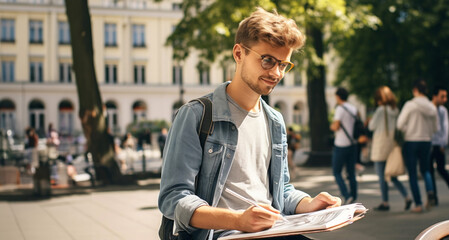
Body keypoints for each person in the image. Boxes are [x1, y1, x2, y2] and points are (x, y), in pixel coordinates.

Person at [158, 8, 341, 240]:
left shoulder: (275, 121)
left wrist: (309, 203)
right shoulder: (196, 115)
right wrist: (238, 220)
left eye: (283, 65)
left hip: (274, 232)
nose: (276, 73)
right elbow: (173, 198)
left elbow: (281, 190)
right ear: (238, 53)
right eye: (267, 61)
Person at [367, 86, 412, 211]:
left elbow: (371, 126)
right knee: (392, 176)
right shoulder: (395, 110)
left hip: (380, 147)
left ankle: (385, 202)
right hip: (392, 146)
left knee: (382, 177)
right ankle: (407, 196)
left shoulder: (381, 110)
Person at [397, 80, 438, 213]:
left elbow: (399, 124)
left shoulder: (410, 105)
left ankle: (418, 204)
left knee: (413, 173)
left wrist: (408, 130)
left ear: (415, 90)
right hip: (426, 141)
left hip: (411, 141)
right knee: (426, 169)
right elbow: (436, 128)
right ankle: (430, 191)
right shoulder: (432, 107)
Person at [330, 87, 358, 204]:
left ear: (338, 96)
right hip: (352, 144)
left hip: (341, 144)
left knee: (337, 172)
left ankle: (346, 195)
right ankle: (353, 195)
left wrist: (331, 126)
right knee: (351, 172)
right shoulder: (353, 109)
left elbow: (336, 126)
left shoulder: (340, 109)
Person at [429, 85, 449, 206]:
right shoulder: (429, 109)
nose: (445, 99)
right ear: (435, 96)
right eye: (442, 96)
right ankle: (434, 197)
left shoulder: (442, 110)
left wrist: (443, 143)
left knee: (441, 169)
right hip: (429, 143)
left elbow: (446, 128)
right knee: (430, 171)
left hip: (438, 144)